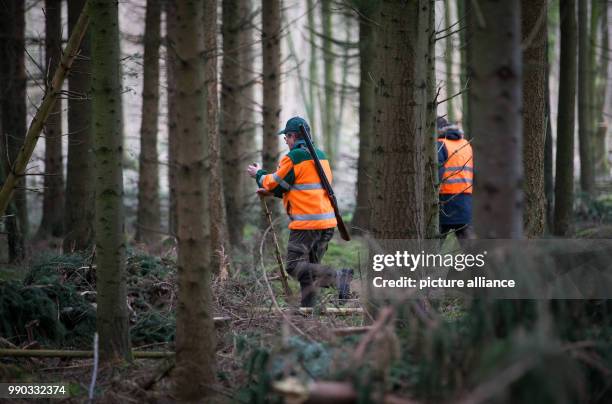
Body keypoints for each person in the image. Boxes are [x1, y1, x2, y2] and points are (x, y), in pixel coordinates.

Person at [247, 117, 352, 307]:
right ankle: (307, 314)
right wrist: (271, 191)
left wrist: (259, 175)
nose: (285, 141)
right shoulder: (321, 156)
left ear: (293, 136)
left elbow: (276, 182)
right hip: (326, 225)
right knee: (309, 274)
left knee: (294, 266)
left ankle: (339, 277)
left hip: (307, 225)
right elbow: (296, 188)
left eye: (286, 137)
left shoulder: (294, 157)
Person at [437, 117, 474, 239]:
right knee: (470, 248)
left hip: (445, 201)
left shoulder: (440, 145)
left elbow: (438, 171)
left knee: (433, 246)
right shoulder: (466, 144)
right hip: (466, 201)